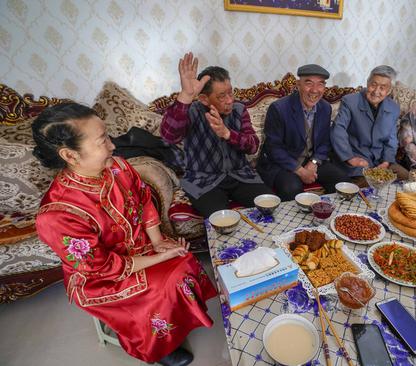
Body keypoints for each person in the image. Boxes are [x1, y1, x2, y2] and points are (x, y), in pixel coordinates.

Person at [32, 103, 217, 366]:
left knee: (184, 259)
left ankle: (175, 323)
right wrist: (159, 258)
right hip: (99, 277)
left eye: (107, 136)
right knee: (164, 283)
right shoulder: (58, 213)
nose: (112, 146)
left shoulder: (117, 167)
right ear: (70, 155)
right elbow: (101, 267)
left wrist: (159, 241)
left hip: (140, 248)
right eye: (102, 141)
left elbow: (143, 200)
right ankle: (158, 346)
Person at [161, 52, 273, 217]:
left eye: (230, 92)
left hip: (241, 176)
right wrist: (185, 96)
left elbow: (253, 146)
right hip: (203, 181)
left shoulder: (239, 110)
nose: (229, 100)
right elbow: (168, 136)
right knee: (221, 218)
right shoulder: (191, 111)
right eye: (222, 96)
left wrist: (227, 133)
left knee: (269, 206)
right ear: (204, 99)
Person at [257, 64, 349, 201]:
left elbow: (324, 143)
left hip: (310, 159)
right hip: (283, 164)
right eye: (308, 83)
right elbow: (273, 147)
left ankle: (329, 216)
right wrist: (300, 171)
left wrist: (313, 162)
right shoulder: (279, 108)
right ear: (298, 84)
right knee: (291, 188)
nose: (315, 90)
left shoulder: (325, 108)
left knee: (341, 181)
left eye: (320, 84)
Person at [330, 65, 404, 179]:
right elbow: (338, 130)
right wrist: (350, 158)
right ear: (368, 82)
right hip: (356, 161)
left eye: (382, 87)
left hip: (382, 161)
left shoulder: (393, 108)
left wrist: (386, 162)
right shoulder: (350, 101)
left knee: (409, 180)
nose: (376, 91)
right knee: (368, 186)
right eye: (373, 85)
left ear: (389, 91)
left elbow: (392, 140)